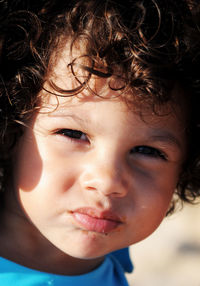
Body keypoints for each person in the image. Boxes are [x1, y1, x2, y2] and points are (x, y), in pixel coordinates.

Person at [0, 0, 200, 285]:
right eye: (72, 134)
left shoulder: (116, 255)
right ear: (10, 130)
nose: (108, 182)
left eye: (147, 151)